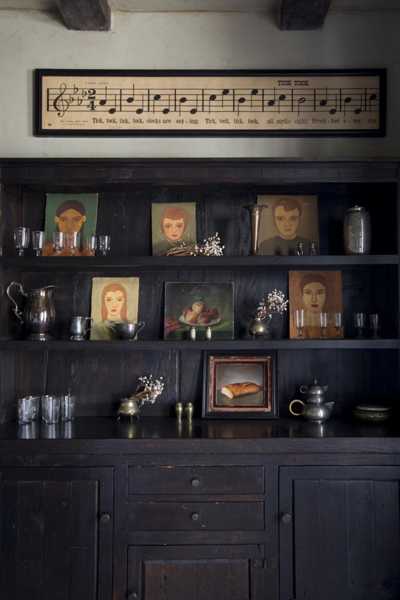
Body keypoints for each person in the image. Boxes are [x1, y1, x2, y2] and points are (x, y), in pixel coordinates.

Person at [299, 273, 329, 337]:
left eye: (319, 293)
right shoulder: (297, 323)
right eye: (308, 292)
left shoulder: (331, 323)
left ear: (326, 295)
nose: (314, 300)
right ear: (302, 296)